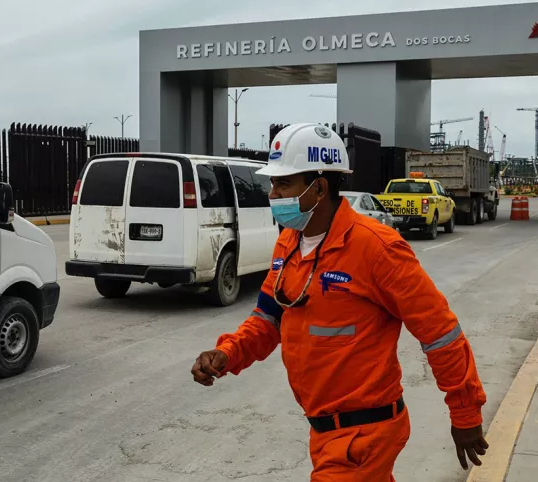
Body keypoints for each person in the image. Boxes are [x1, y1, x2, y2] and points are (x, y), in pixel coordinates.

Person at [191, 123, 488, 481]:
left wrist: (465, 414)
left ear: (319, 188)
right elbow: (268, 318)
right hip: (325, 431)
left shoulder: (377, 248)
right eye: (273, 183)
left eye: (284, 184)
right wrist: (228, 353)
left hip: (365, 434)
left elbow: (440, 333)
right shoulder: (289, 242)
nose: (273, 193)